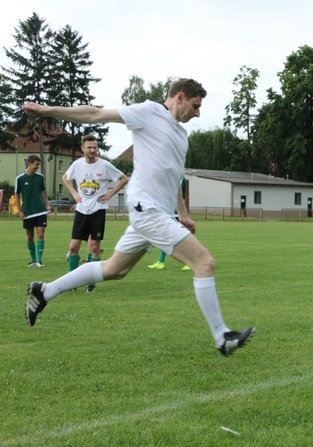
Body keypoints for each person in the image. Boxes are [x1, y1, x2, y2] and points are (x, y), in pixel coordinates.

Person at [22, 78, 254, 356]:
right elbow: (95, 113)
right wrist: (46, 110)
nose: (198, 113)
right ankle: (222, 336)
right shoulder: (148, 112)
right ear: (180, 97)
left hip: (157, 214)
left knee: (114, 270)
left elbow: (174, 177)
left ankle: (44, 291)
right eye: (195, 106)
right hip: (148, 211)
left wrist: (181, 213)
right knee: (204, 263)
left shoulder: (181, 136)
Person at [63, 134, 129, 292]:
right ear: (82, 148)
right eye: (89, 147)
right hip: (81, 210)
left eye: (95, 147)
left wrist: (109, 195)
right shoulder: (77, 165)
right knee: (73, 247)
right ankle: (72, 282)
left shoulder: (105, 165)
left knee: (94, 247)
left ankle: (91, 284)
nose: (93, 150)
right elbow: (65, 177)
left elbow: (124, 179)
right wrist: (74, 193)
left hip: (98, 211)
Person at [15, 155, 51, 268]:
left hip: (40, 211)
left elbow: (42, 192)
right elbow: (16, 195)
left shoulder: (40, 177)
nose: (37, 167)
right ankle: (33, 260)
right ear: (29, 163)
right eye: (36, 164)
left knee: (40, 234)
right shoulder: (19, 179)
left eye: (38, 165)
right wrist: (19, 210)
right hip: (28, 212)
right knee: (29, 237)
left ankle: (39, 261)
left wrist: (47, 205)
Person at [148, 178, 191, 270]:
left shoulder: (176, 176)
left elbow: (175, 193)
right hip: (165, 210)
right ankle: (160, 262)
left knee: (180, 233)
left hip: (169, 210)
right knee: (164, 236)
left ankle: (191, 260)